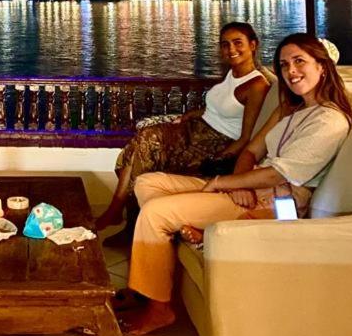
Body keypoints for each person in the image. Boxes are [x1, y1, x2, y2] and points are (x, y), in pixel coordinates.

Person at [118, 33, 352, 335]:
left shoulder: (328, 121)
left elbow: (277, 175)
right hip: (252, 188)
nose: (291, 72)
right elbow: (252, 151)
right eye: (284, 65)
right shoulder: (291, 111)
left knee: (156, 213)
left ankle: (158, 307)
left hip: (277, 204)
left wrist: (221, 183)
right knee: (148, 183)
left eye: (299, 62)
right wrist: (239, 185)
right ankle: (175, 257)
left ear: (323, 66)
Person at [95, 22, 270, 238]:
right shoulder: (233, 74)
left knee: (148, 142)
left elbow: (246, 137)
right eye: (225, 44)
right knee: (140, 142)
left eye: (238, 43)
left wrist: (221, 159)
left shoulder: (256, 85)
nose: (231, 49)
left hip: (214, 144)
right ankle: (124, 214)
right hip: (197, 130)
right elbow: (219, 109)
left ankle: (124, 216)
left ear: (253, 45)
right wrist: (192, 115)